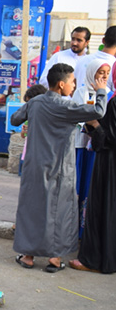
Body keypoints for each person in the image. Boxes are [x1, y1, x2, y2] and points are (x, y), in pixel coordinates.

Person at [10, 63, 107, 272]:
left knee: (32, 209)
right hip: (60, 168)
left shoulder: (35, 102)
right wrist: (101, 91)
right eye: (72, 81)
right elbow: (98, 111)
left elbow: (15, 118)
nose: (74, 85)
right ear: (61, 85)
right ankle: (54, 259)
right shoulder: (67, 107)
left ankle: (28, 256)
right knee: (59, 211)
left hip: (34, 166)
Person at [69, 67, 116, 274]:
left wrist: (94, 123)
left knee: (102, 207)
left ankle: (94, 259)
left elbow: (108, 139)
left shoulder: (113, 102)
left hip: (109, 164)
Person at [71, 59, 111, 239]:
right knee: (78, 187)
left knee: (91, 188)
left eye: (107, 74)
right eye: (100, 73)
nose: (103, 77)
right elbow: (74, 115)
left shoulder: (109, 95)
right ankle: (72, 229)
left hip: (98, 148)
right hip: (81, 145)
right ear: (91, 73)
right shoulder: (80, 92)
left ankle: (86, 230)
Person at [74, 26, 116, 92]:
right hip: (102, 101)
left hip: (78, 101)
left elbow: (73, 87)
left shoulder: (83, 59)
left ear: (103, 40)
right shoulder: (114, 65)